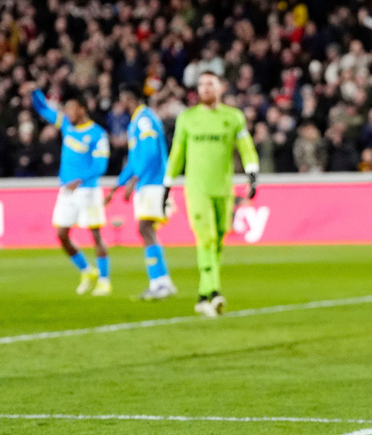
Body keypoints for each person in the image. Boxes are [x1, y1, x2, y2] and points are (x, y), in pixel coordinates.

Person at [165, 71, 260, 316]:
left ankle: (203, 294)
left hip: (223, 188)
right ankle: (214, 291)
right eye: (201, 84)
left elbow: (246, 147)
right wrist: (167, 184)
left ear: (221, 87)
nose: (205, 88)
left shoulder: (233, 117)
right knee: (205, 238)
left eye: (210, 84)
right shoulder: (187, 118)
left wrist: (252, 172)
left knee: (218, 238)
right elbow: (177, 153)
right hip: (197, 189)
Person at [28, 85, 112, 295]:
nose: (67, 113)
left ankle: (104, 280)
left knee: (96, 235)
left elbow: (100, 166)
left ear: (82, 110)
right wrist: (34, 91)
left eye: (71, 109)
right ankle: (86, 269)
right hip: (67, 191)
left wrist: (80, 180)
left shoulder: (97, 134)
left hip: (88, 192)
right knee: (62, 234)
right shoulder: (66, 125)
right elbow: (42, 109)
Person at [104, 85, 177, 300]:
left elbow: (150, 151)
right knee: (147, 229)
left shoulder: (144, 119)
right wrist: (117, 185)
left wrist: (135, 179)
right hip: (147, 181)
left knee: (145, 228)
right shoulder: (138, 120)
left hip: (152, 181)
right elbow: (135, 159)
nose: (121, 104)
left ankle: (159, 283)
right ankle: (163, 281)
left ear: (129, 98)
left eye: (122, 100)